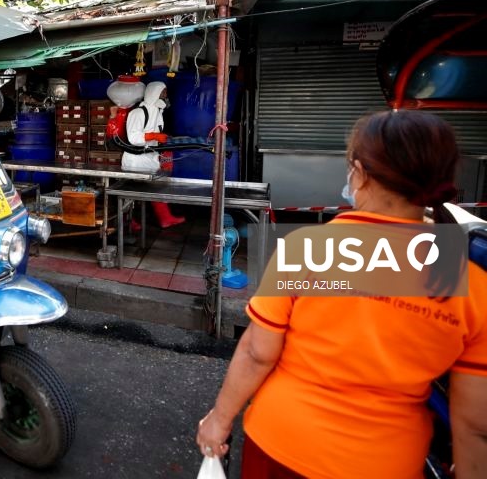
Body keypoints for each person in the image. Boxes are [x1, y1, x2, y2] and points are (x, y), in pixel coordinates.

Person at [196, 110, 487, 478]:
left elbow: (258, 352)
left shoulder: (309, 248)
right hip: (389, 462)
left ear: (361, 173)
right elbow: (476, 427)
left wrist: (219, 420)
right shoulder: (470, 283)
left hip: (282, 442)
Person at [122, 81, 185, 229]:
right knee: (130, 192)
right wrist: (154, 136)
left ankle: (165, 218)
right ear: (154, 93)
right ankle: (128, 221)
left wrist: (163, 139)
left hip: (149, 157)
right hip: (135, 160)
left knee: (158, 186)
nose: (165, 96)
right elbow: (133, 137)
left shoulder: (158, 112)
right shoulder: (137, 113)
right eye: (163, 93)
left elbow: (155, 134)